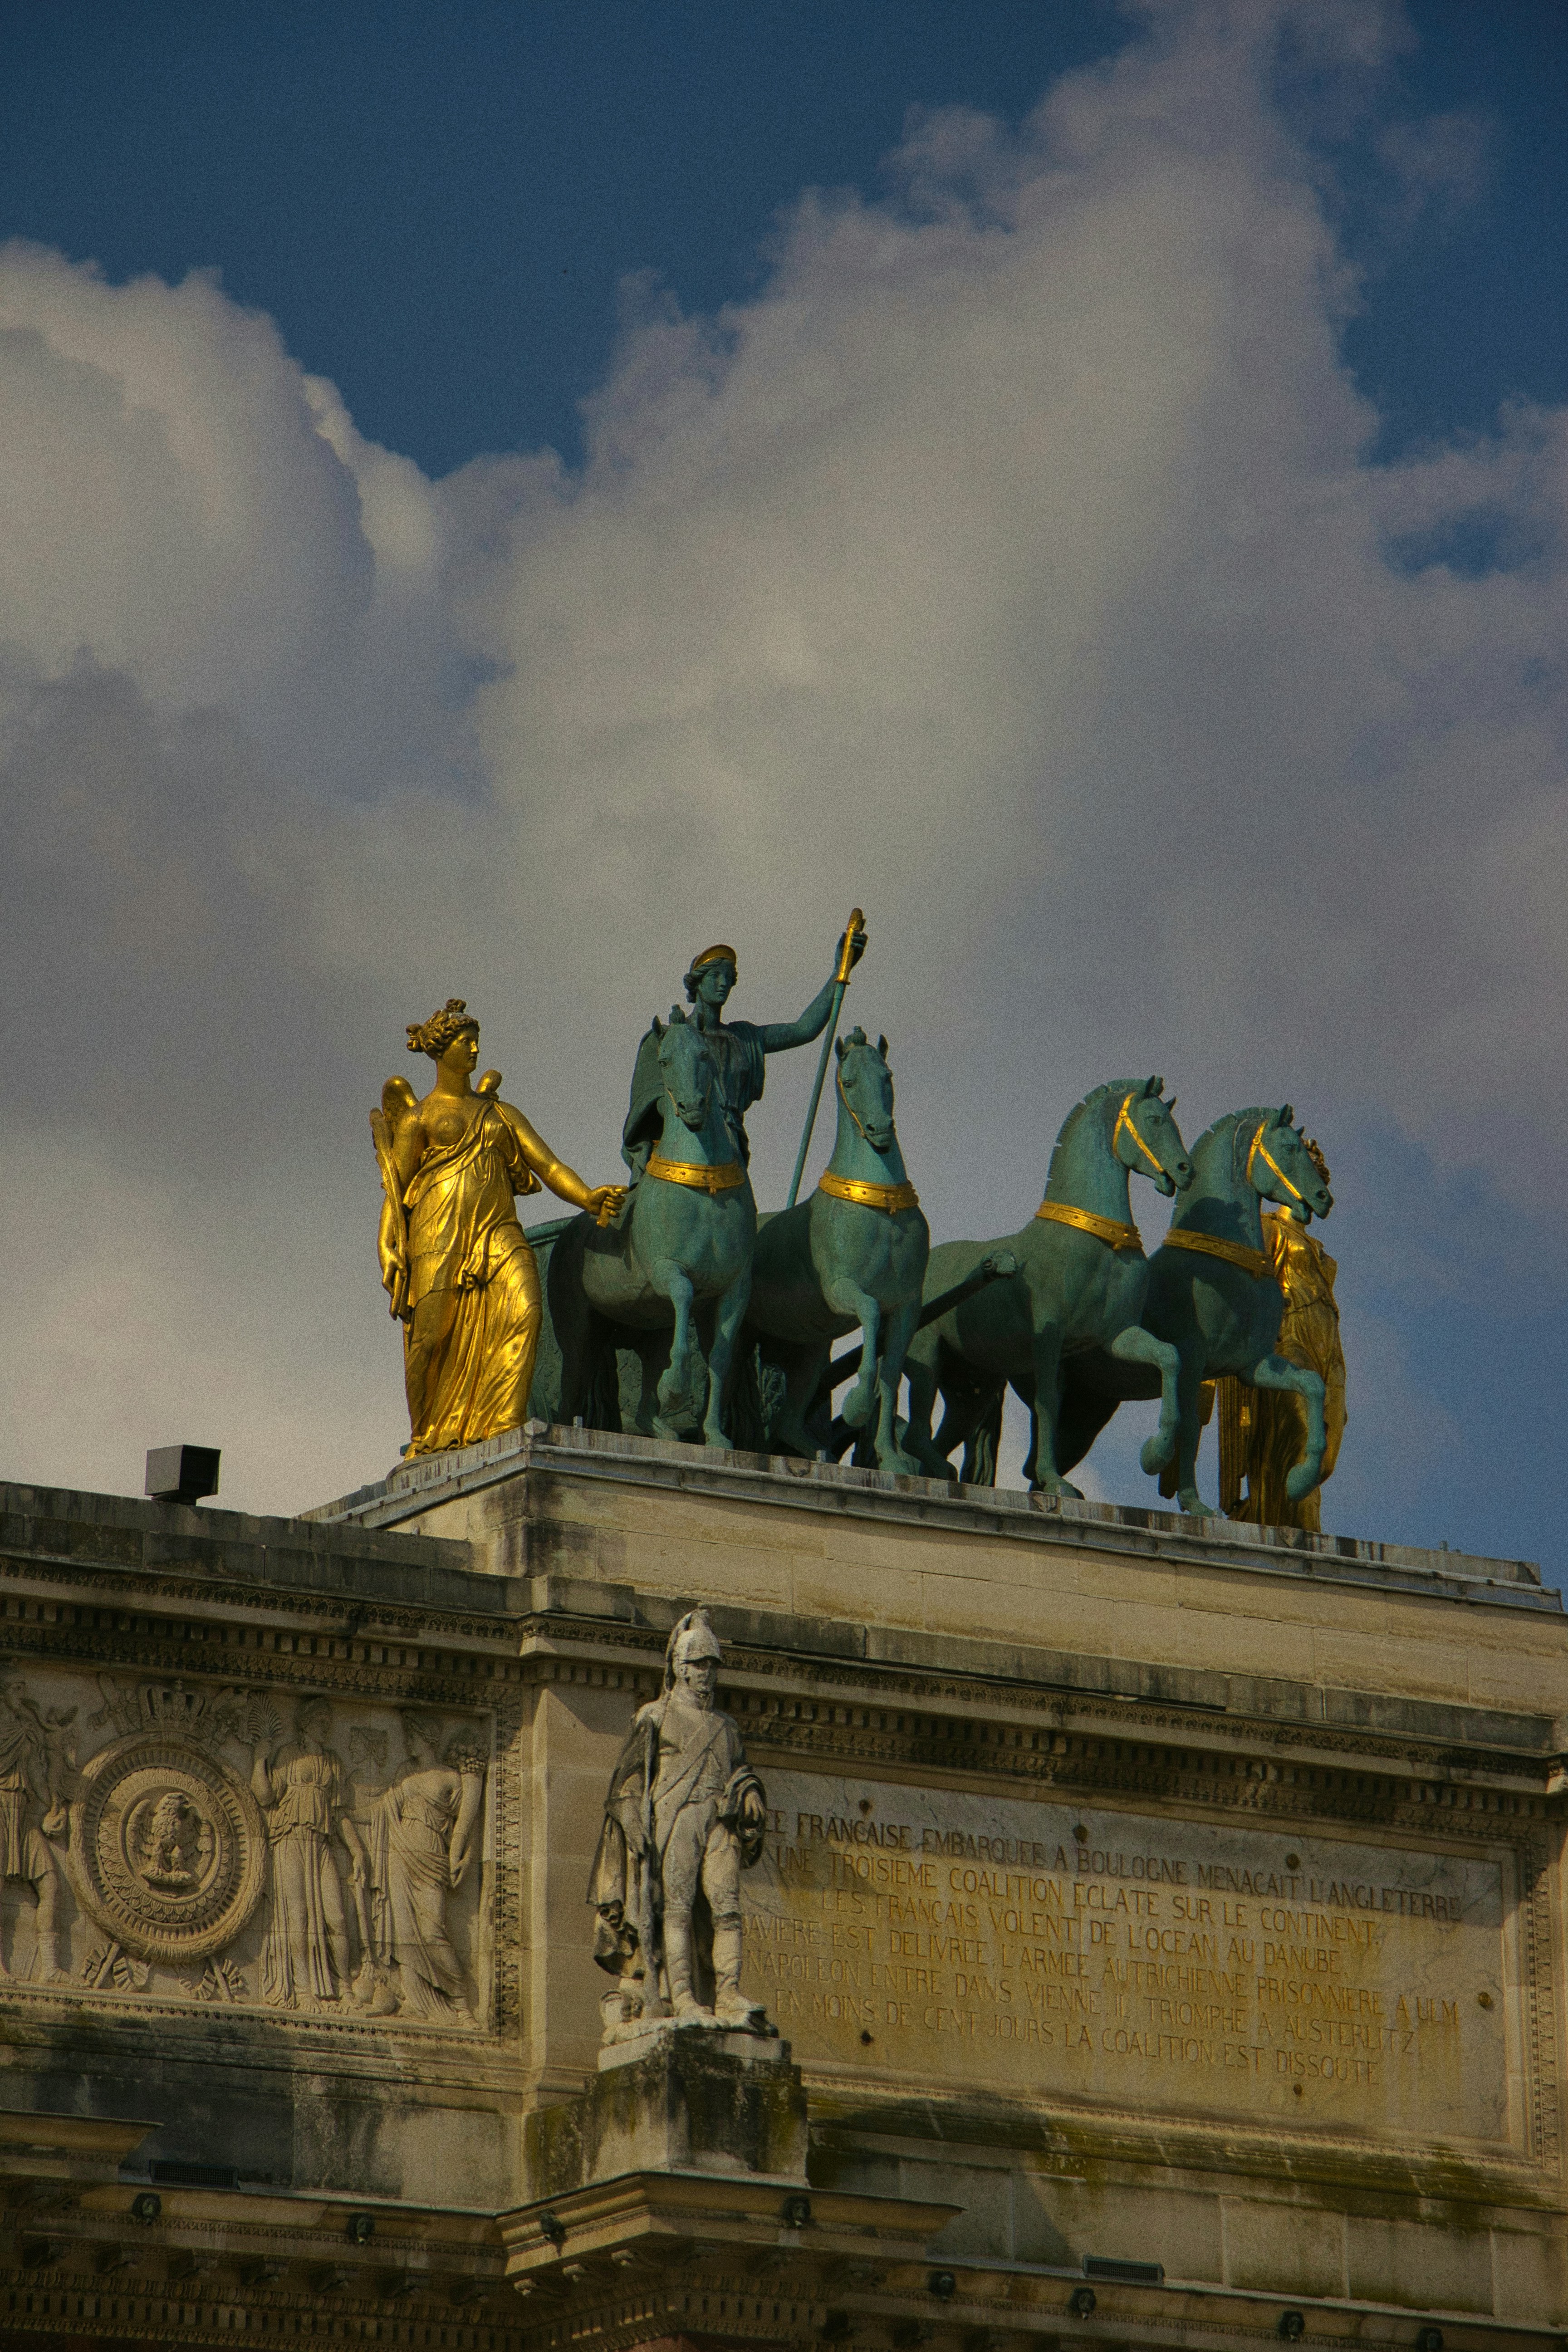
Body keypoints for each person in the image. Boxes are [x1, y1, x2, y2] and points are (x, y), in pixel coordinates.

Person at [373, 999, 626, 1455]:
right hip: (438, 1235)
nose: (474, 1050)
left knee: (526, 1310)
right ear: (441, 1050)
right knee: (431, 1339)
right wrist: (388, 1245)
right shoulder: (419, 1118)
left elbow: (547, 1165)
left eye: (476, 1042)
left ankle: (504, 1424)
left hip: (498, 1230)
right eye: (465, 1043)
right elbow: (396, 1191)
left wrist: (587, 1197)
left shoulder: (500, 1113)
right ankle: (426, 1436)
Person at [588, 1610, 769, 2032]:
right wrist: (634, 1823)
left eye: (712, 1665)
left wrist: (752, 1795)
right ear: (680, 1668)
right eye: (699, 1664)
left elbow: (741, 1773)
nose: (707, 1673)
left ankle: (727, 1992)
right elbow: (627, 1780)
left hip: (720, 1822)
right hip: (676, 1819)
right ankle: (683, 1996)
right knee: (678, 1909)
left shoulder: (728, 1727)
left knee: (728, 1909)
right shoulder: (654, 1716)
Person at [621, 925, 867, 1179]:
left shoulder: (744, 1038)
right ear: (698, 982)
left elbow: (804, 1030)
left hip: (731, 1150)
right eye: (715, 976)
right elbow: (646, 1101)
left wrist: (840, 971)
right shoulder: (665, 1039)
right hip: (677, 1153)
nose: (724, 983)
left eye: (729, 977)